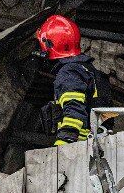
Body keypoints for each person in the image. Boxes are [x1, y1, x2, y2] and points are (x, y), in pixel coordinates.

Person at [35, 14, 103, 146]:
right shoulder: (90, 71)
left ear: (49, 45)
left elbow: (74, 109)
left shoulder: (69, 73)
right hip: (98, 143)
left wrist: (62, 147)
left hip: (80, 146)